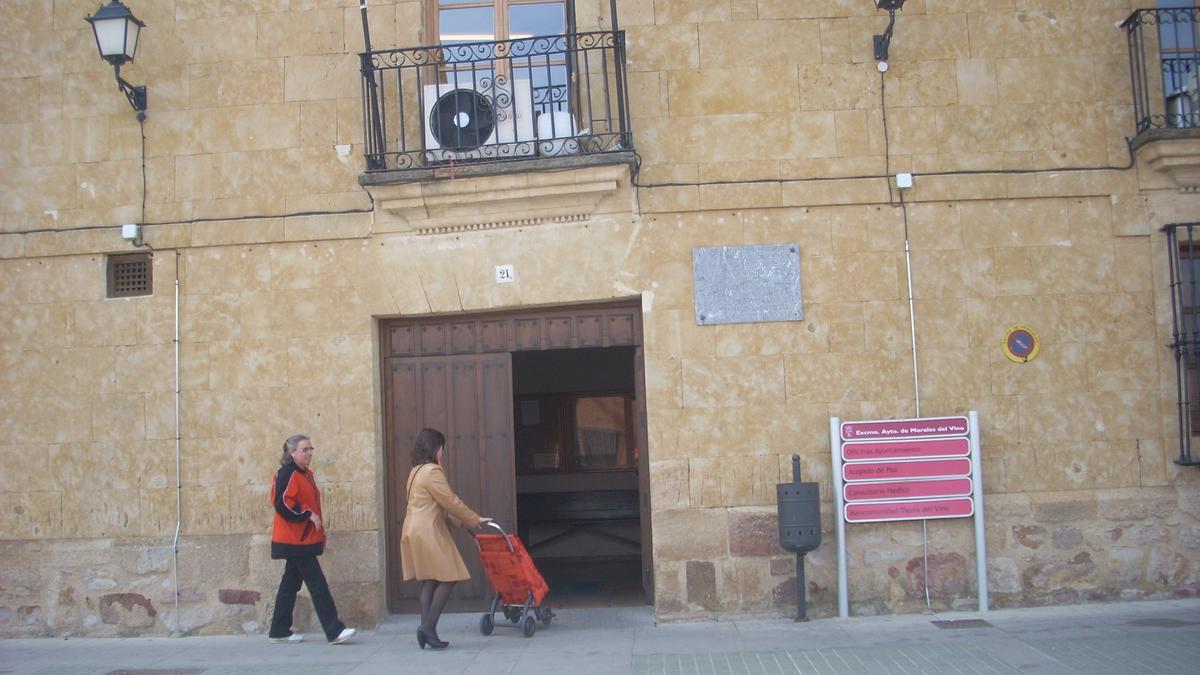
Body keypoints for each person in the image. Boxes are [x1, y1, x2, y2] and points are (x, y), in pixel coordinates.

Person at [400, 428, 492, 650]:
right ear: (436, 448)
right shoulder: (432, 471)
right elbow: (449, 501)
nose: (443, 452)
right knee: (449, 576)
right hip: (429, 531)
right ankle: (428, 627)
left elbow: (438, 505)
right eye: (442, 448)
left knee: (429, 579)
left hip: (413, 529)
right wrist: (473, 518)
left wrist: (465, 523)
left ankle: (426, 630)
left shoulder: (415, 471)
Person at [267, 434, 357, 645]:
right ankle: (334, 630)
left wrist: (318, 531)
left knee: (290, 584)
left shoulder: (305, 474)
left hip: (302, 539)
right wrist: (307, 514)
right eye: (304, 449)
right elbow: (282, 503)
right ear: (292, 452)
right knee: (317, 584)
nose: (309, 453)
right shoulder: (288, 473)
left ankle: (279, 630)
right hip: (295, 540)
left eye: (310, 449)